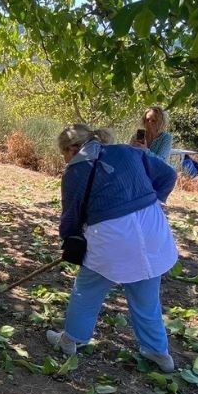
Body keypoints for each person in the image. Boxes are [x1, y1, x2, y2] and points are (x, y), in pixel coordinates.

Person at [46, 124, 179, 373]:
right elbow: (169, 176)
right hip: (152, 228)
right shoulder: (130, 152)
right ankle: (158, 352)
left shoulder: (76, 169)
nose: (64, 159)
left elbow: (72, 213)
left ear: (73, 148)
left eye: (63, 152)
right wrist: (149, 200)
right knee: (146, 296)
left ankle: (70, 340)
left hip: (111, 235)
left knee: (87, 290)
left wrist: (69, 239)